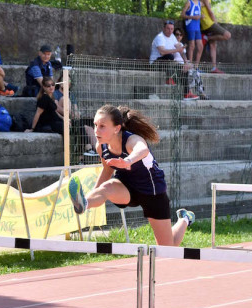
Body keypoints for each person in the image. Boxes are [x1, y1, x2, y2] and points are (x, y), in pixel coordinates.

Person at [68, 104, 196, 246]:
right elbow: (107, 170)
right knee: (107, 187)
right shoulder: (101, 146)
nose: (96, 130)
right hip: (126, 186)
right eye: (95, 125)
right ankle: (83, 204)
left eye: (102, 126)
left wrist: (128, 160)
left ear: (117, 128)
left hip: (152, 190)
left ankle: (185, 219)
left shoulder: (132, 140)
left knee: (167, 247)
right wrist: (93, 194)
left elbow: (143, 150)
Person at [149, 20, 198, 100]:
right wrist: (177, 50)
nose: (170, 31)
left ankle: (186, 93)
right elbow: (162, 52)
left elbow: (181, 50)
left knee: (184, 69)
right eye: (168, 29)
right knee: (170, 56)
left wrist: (186, 63)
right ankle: (169, 78)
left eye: (172, 29)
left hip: (168, 63)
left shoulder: (172, 37)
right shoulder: (160, 37)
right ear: (164, 28)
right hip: (156, 62)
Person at [199, 0, 230, 73]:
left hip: (205, 25)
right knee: (227, 35)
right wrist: (216, 24)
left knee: (213, 45)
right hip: (209, 24)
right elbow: (210, 12)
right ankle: (207, 38)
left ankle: (214, 68)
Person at [180, 0, 203, 66]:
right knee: (192, 45)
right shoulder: (189, 2)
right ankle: (190, 65)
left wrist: (201, 16)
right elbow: (182, 15)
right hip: (190, 26)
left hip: (197, 27)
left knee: (200, 46)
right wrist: (193, 17)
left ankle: (196, 66)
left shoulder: (200, 3)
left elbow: (208, 4)